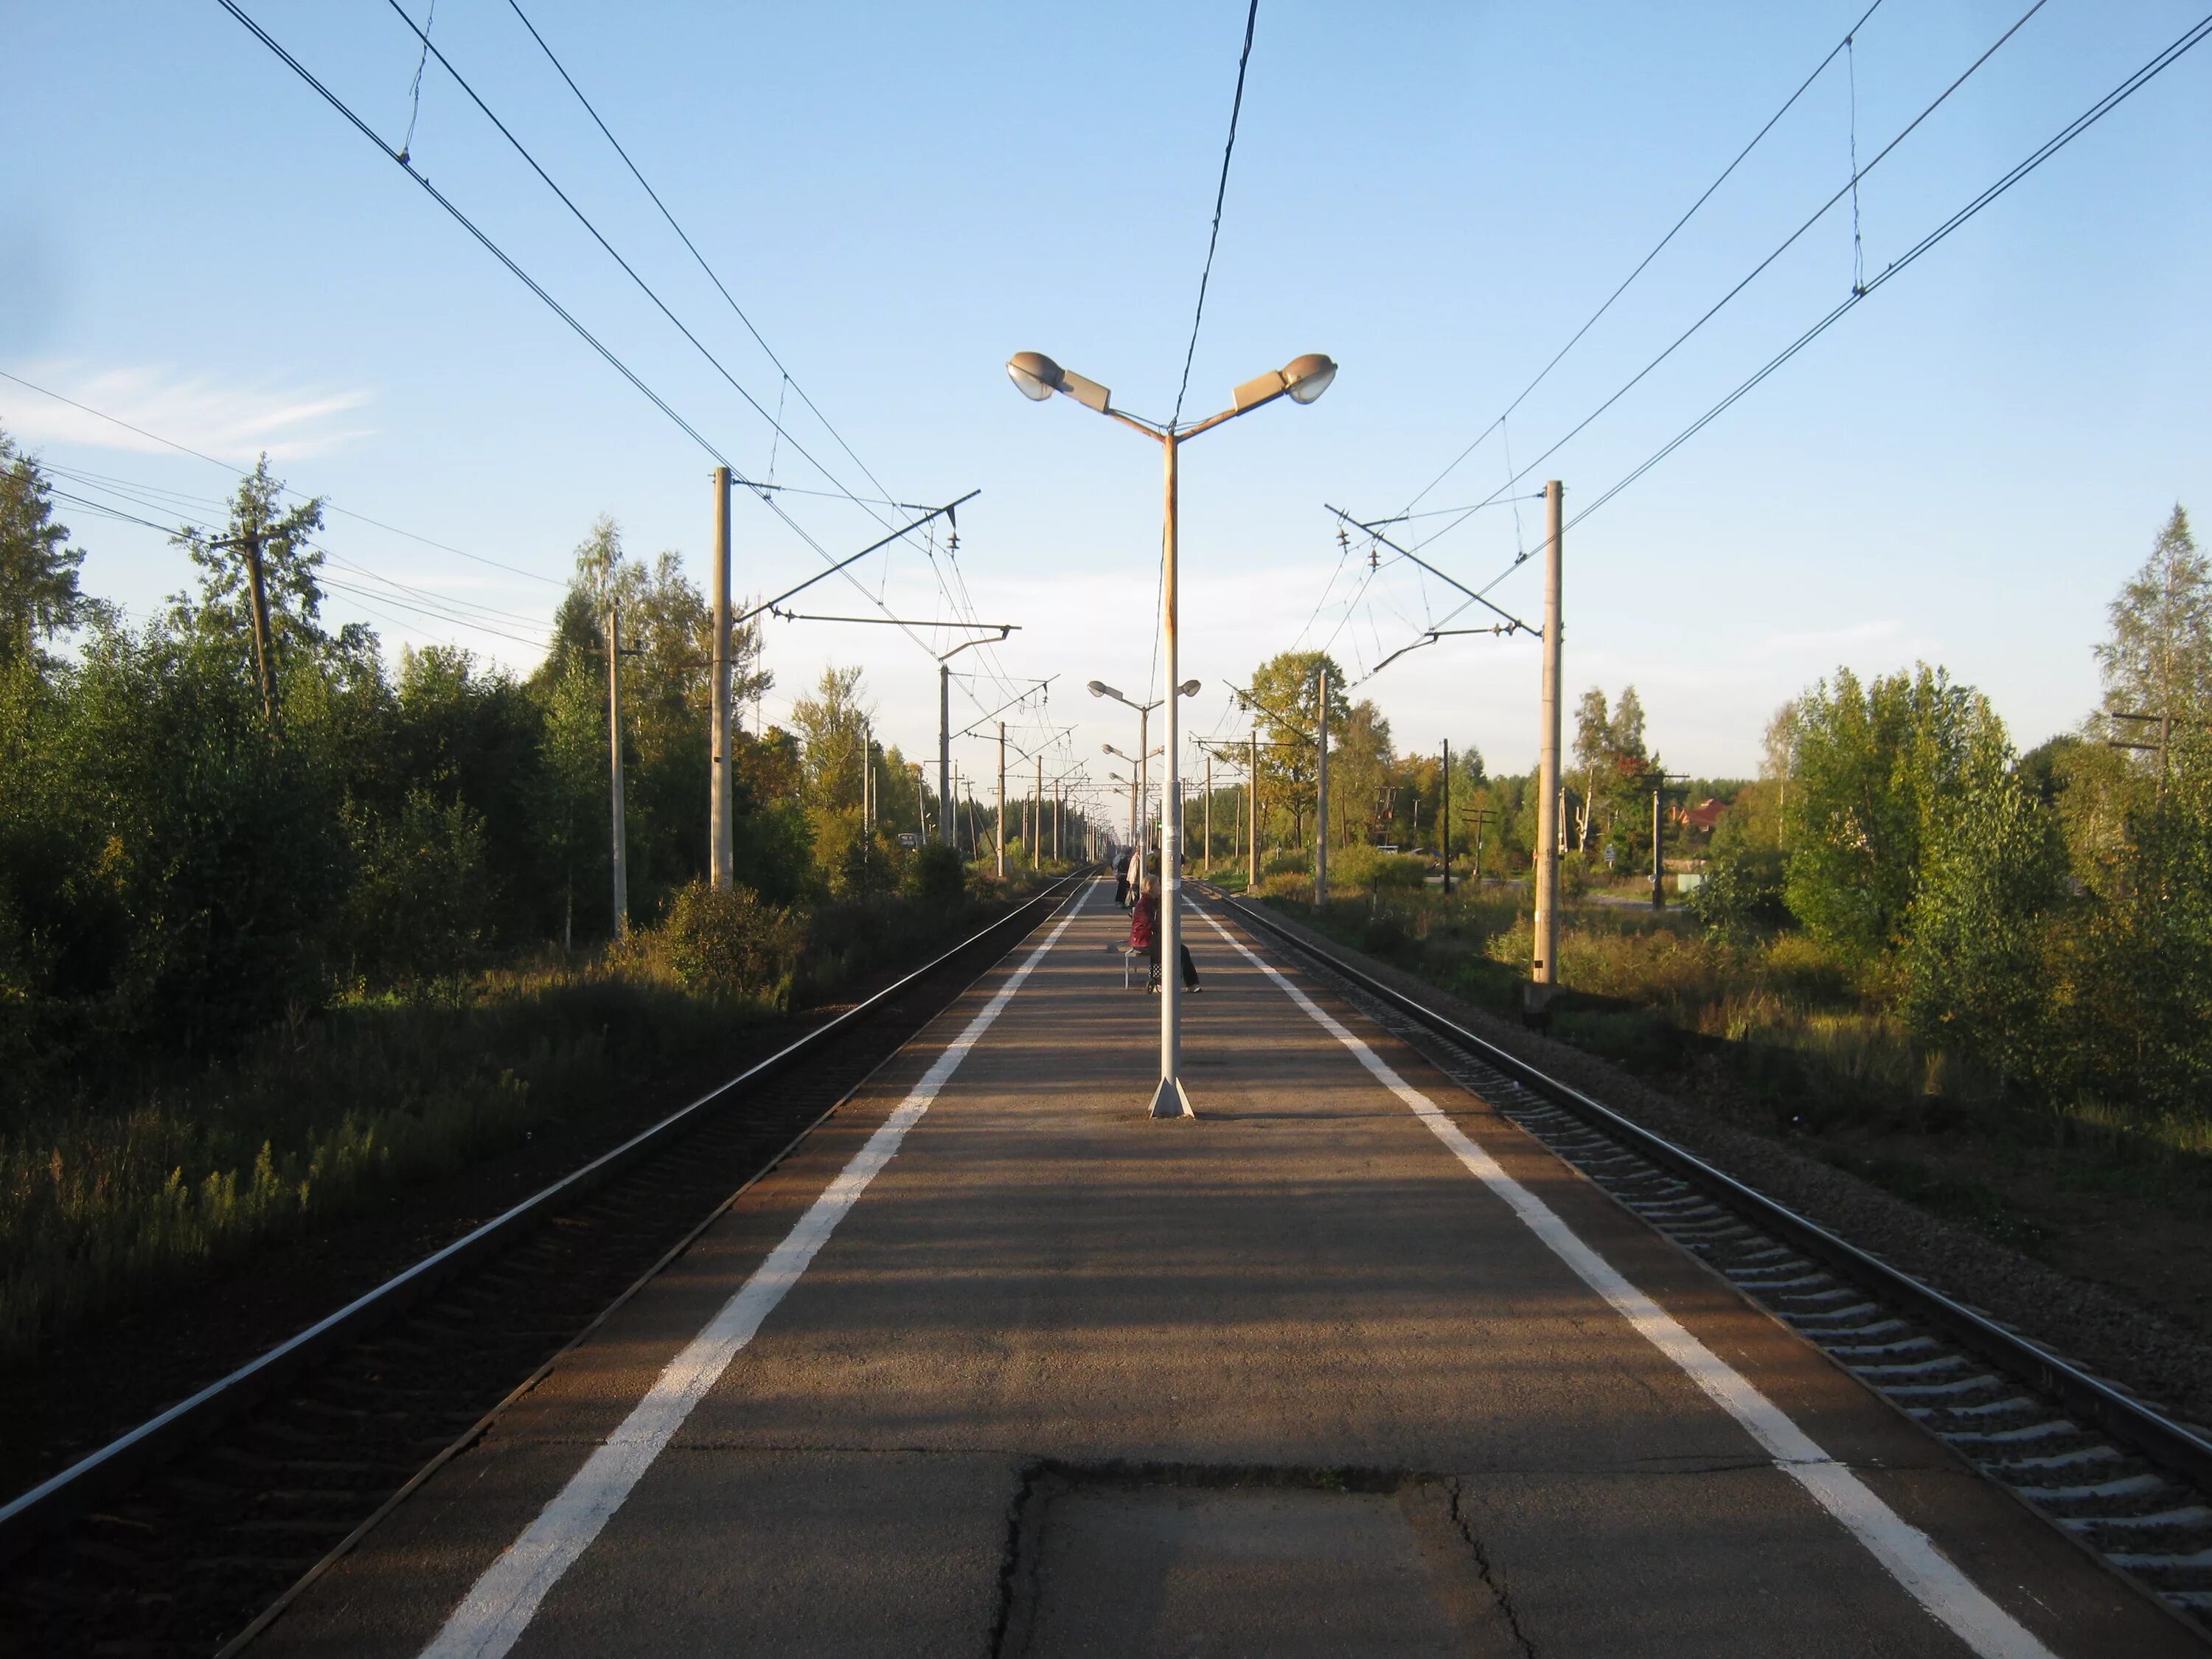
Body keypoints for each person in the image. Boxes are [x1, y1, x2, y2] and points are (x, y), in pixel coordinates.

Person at [1129, 877, 1200, 995]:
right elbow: (1149, 924)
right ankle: (1158, 982)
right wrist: (1165, 929)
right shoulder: (1144, 904)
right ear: (1150, 887)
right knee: (1161, 949)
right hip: (1143, 940)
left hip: (1152, 937)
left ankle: (1192, 983)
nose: (1160, 887)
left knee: (1182, 950)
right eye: (1158, 885)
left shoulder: (1153, 901)